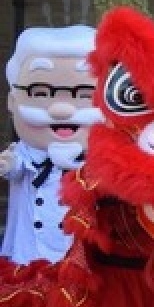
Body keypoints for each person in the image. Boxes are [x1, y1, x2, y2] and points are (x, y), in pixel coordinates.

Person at [1, 25, 99, 265]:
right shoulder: (24, 156)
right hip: (28, 255)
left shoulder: (100, 161)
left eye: (84, 94)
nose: (61, 109)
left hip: (81, 261)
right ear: (12, 101)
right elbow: (10, 167)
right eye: (41, 92)